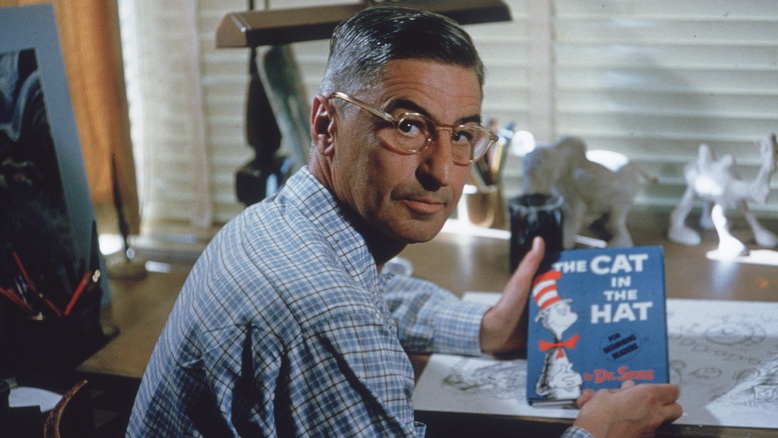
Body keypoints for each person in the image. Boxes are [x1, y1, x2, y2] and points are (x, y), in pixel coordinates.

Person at [127, 6, 682, 437]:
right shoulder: (326, 317)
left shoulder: (281, 224)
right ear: (325, 125)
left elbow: (378, 292)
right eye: (409, 126)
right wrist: (598, 431)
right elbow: (343, 314)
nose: (442, 171)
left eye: (462, 134)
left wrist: (486, 329)